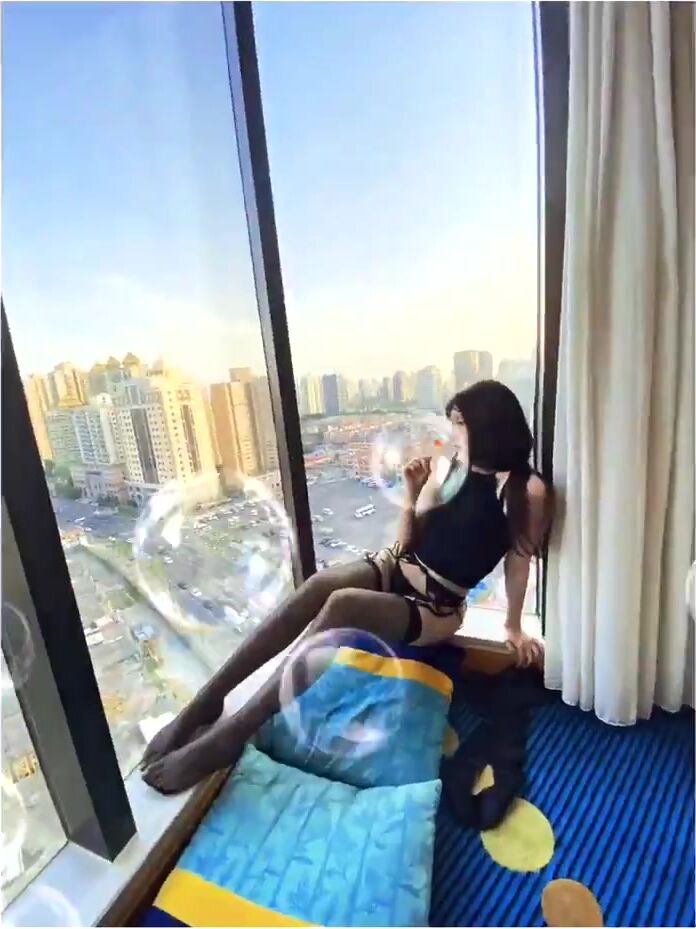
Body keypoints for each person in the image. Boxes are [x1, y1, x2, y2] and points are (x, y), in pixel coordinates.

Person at [142, 380, 553, 793]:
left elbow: (518, 562)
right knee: (318, 585)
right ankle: (207, 701)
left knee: (343, 605)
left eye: (460, 424)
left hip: (436, 606)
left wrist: (512, 626)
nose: (453, 433)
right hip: (397, 567)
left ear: (487, 425)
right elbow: (410, 542)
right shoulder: (452, 467)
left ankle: (230, 736)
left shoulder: (524, 489)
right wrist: (412, 495)